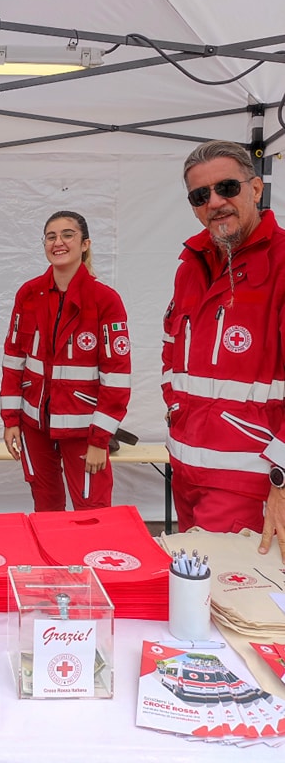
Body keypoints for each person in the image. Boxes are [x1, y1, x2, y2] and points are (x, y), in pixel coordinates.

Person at [163, 140, 285, 558]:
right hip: (186, 473)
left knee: (228, 607)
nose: (215, 202)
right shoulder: (190, 265)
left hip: (248, 486)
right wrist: (176, 410)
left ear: (255, 189)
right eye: (201, 195)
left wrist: (282, 482)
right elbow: (171, 350)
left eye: (226, 188)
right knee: (192, 598)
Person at [0, 211, 131, 512]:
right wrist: (10, 420)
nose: (58, 242)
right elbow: (13, 361)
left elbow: (117, 377)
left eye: (67, 235)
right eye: (51, 236)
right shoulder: (28, 294)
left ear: (85, 244)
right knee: (45, 510)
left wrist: (99, 440)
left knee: (92, 511)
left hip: (85, 431)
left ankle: (90, 561)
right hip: (34, 426)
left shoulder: (105, 300)